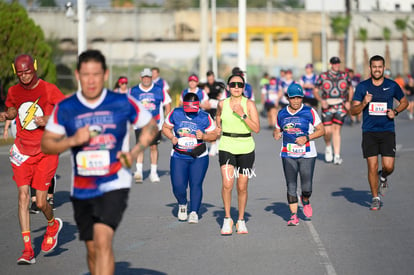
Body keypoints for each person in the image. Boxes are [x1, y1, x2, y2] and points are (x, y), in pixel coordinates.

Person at [41, 49, 158, 275]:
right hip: (83, 187)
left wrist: (134, 153)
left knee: (103, 242)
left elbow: (151, 126)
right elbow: (46, 144)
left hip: (114, 182)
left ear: (105, 75)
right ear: (77, 75)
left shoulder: (122, 102)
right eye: (86, 74)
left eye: (96, 74)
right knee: (92, 248)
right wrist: (73, 140)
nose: (91, 80)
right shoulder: (66, 107)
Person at [0, 54, 65, 264]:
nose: (24, 76)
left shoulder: (48, 89)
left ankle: (52, 224)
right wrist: (7, 115)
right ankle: (28, 249)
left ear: (34, 68)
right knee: (22, 196)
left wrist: (49, 118)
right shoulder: (14, 91)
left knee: (41, 200)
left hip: (46, 150)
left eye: (27, 72)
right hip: (22, 149)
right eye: (20, 73)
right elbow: (12, 109)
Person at [350, 55, 408, 211]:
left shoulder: (392, 85)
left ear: (383, 68)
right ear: (370, 68)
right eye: (374, 66)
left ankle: (383, 177)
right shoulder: (362, 87)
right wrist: (364, 103)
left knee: (389, 166)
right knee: (372, 166)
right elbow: (353, 110)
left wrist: (395, 111)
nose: (377, 69)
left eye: (379, 66)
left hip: (387, 131)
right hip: (369, 132)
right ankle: (375, 198)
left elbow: (405, 102)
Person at [273, 83, 325, 226]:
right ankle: (294, 215)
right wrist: (276, 134)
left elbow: (321, 130)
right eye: (293, 98)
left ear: (302, 98)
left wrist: (307, 138)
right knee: (291, 185)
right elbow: (277, 129)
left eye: (299, 98)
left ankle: (306, 199)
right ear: (288, 98)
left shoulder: (310, 112)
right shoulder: (282, 113)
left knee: (307, 187)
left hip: (307, 154)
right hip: (288, 153)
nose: (296, 101)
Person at [162, 93, 218, 223]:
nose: (191, 113)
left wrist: (204, 136)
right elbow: (165, 128)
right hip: (179, 155)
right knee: (178, 186)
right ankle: (182, 204)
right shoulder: (175, 113)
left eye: (194, 111)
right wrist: (172, 137)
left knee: (195, 184)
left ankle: (194, 211)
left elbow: (214, 135)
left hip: (199, 156)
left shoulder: (205, 116)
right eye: (188, 111)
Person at [216, 73, 260, 235]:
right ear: (228, 87)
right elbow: (218, 116)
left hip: (246, 147)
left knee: (242, 186)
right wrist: (218, 127)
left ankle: (240, 220)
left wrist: (242, 114)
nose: (236, 88)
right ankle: (227, 218)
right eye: (233, 85)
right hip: (226, 145)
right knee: (228, 183)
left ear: (243, 88)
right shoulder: (222, 103)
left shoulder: (249, 104)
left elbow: (256, 128)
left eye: (239, 85)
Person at [130, 68, 172, 183]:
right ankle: (139, 172)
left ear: (151, 78)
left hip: (155, 124)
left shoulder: (159, 90)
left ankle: (153, 172)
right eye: (144, 77)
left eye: (148, 77)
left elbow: (167, 104)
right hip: (140, 124)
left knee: (153, 147)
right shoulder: (133, 91)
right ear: (141, 78)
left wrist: (167, 120)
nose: (146, 79)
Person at [313, 56, 353, 165]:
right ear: (331, 64)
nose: (336, 65)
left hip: (340, 104)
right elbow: (315, 90)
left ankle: (337, 155)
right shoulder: (323, 76)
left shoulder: (344, 75)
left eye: (338, 63)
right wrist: (321, 100)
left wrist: (349, 101)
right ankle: (327, 146)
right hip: (327, 105)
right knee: (327, 131)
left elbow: (350, 88)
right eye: (334, 63)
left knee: (336, 129)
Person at [204, 70, 224, 156]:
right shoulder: (205, 86)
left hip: (217, 107)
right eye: (209, 78)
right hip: (208, 108)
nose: (210, 79)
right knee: (211, 128)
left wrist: (221, 96)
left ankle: (217, 144)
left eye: (211, 78)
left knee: (217, 126)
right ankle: (213, 145)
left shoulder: (219, 84)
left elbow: (224, 92)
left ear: (213, 77)